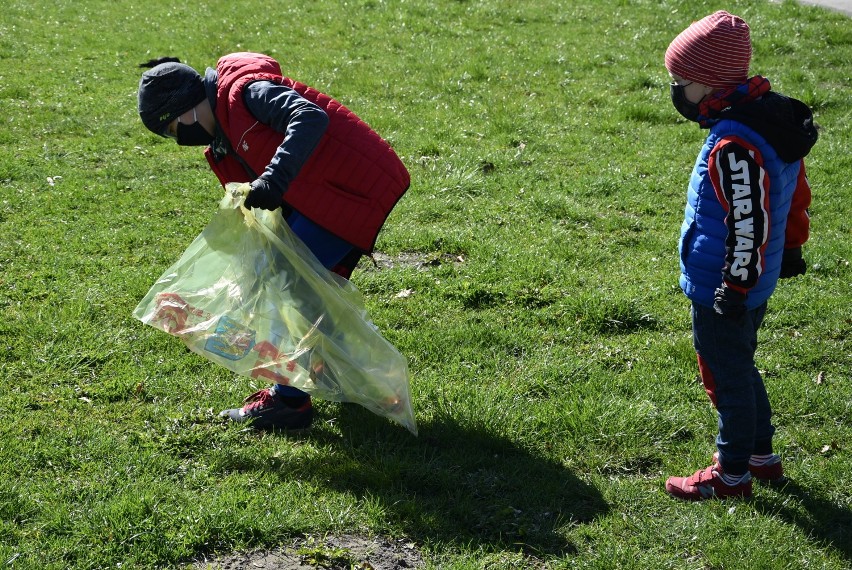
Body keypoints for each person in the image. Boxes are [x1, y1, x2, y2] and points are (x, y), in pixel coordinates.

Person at [137, 52, 410, 431]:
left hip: (350, 189)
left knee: (279, 283)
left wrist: (273, 180)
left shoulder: (244, 93)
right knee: (300, 290)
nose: (177, 138)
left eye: (171, 130)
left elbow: (310, 117)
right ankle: (356, 379)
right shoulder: (221, 140)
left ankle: (290, 404)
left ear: (185, 110)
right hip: (326, 194)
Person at [662, 11, 817, 500]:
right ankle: (760, 455)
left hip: (727, 284)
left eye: (680, 82)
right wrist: (790, 247)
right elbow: (795, 193)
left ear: (706, 85)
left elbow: (748, 222)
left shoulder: (733, 142)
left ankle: (731, 475)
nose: (675, 91)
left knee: (726, 376)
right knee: (741, 365)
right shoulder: (767, 118)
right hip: (754, 277)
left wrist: (735, 284)